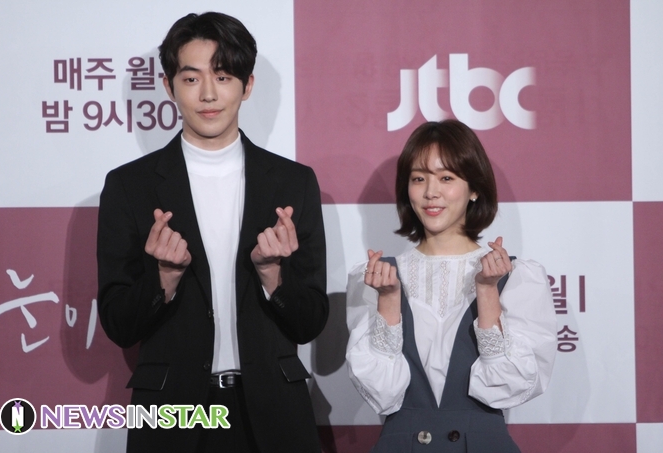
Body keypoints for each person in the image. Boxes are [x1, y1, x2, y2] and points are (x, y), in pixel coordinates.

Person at [97, 12, 328, 453]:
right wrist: (162, 279)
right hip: (173, 415)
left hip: (274, 416)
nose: (208, 94)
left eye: (222, 77)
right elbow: (118, 324)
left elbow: (311, 321)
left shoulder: (293, 183)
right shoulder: (130, 186)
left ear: (247, 85)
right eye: (191, 78)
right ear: (169, 87)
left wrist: (274, 276)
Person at [345, 120, 557, 452]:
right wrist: (388, 300)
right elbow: (381, 393)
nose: (431, 192)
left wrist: (487, 292)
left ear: (474, 189)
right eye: (419, 178)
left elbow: (511, 387)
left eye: (446, 178)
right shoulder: (373, 277)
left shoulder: (517, 277)